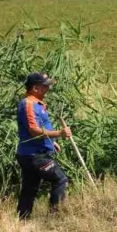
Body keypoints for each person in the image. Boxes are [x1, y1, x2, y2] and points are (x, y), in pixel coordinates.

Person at [15, 72, 71, 219]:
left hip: (32, 154)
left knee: (30, 188)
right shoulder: (28, 104)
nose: (48, 89)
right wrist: (59, 133)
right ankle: (54, 216)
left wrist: (52, 142)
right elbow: (33, 131)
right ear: (35, 88)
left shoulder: (38, 104)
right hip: (34, 155)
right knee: (59, 179)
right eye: (45, 86)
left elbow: (39, 128)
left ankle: (22, 220)